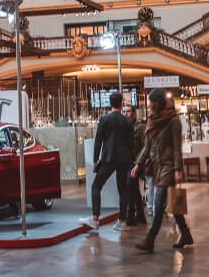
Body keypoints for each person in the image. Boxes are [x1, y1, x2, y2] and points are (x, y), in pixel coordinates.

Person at [132, 89, 193, 252]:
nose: (150, 106)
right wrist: (138, 164)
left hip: (168, 167)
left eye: (153, 103)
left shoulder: (173, 121)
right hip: (156, 166)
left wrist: (178, 169)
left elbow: (176, 147)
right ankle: (186, 233)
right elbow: (147, 146)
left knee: (158, 204)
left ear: (159, 102)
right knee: (172, 205)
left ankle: (150, 240)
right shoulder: (152, 119)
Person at [80, 91, 133, 230]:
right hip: (124, 158)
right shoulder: (127, 121)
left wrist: (96, 160)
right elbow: (131, 143)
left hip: (109, 158)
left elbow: (98, 141)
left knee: (96, 186)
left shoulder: (104, 119)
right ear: (121, 104)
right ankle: (122, 221)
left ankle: (95, 218)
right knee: (123, 190)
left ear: (109, 103)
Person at [123, 105, 147, 226]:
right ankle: (141, 216)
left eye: (128, 111)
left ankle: (131, 215)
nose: (126, 114)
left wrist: (140, 162)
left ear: (134, 113)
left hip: (138, 162)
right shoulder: (125, 127)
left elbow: (145, 146)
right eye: (124, 111)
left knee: (129, 185)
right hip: (128, 161)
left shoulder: (141, 127)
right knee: (133, 187)